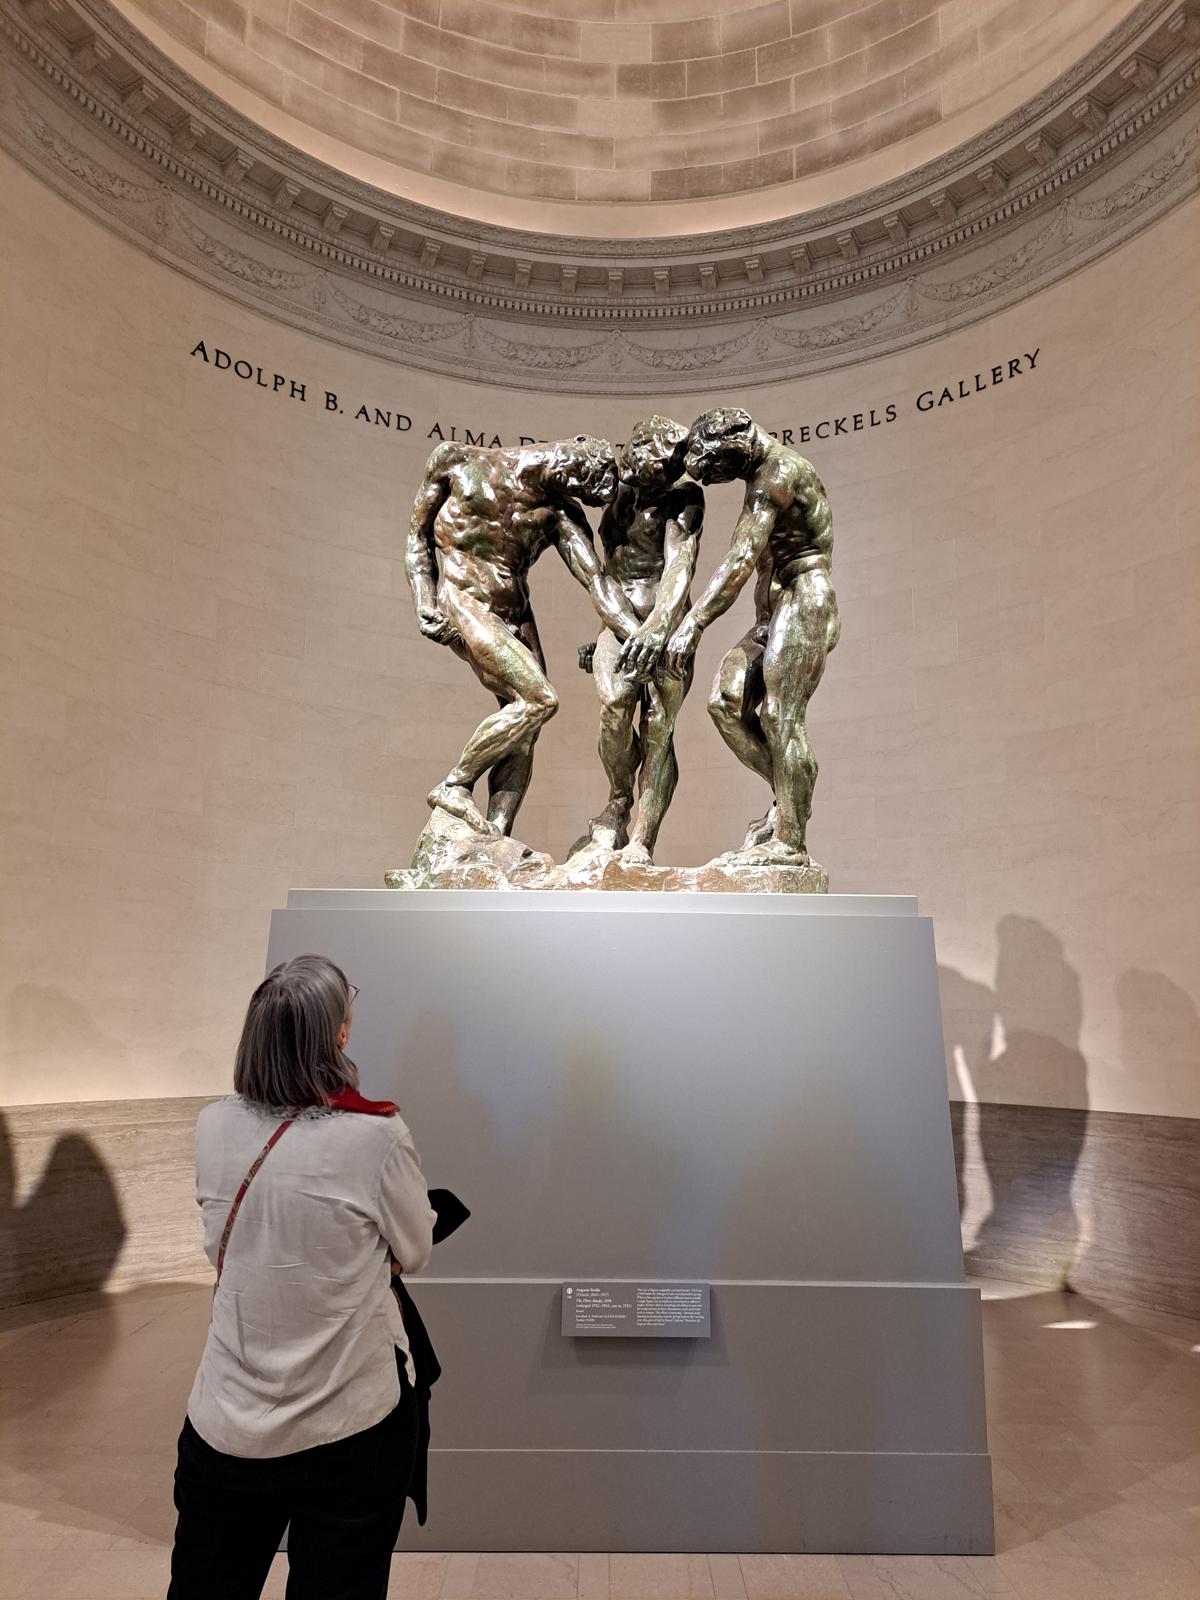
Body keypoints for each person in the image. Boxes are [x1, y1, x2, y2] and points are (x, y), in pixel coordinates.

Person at [168, 955, 436, 1600]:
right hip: (350, 1420)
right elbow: (416, 1249)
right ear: (338, 1034)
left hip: (227, 1418)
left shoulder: (213, 1124)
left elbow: (219, 1247)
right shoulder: (376, 1137)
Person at [404, 435, 642, 839]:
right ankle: (455, 785)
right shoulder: (457, 461)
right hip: (464, 601)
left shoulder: (560, 512)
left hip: (517, 612)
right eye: (581, 479)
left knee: (526, 727)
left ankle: (496, 834)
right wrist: (423, 600)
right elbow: (417, 538)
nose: (574, 489)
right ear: (574, 450)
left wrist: (637, 636)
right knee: (539, 699)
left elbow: (597, 581)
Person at [666, 408, 840, 864]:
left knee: (780, 716)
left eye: (715, 467)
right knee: (725, 703)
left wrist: (693, 622)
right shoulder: (759, 477)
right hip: (771, 614)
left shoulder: (777, 473)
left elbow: (742, 558)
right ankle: (790, 797)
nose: (713, 478)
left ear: (736, 441)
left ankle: (790, 841)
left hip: (804, 599)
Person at [572, 415, 704, 862]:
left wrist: (659, 628)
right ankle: (618, 799)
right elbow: (606, 571)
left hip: (666, 628)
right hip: (617, 624)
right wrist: (604, 628)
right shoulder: (615, 493)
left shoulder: (684, 497)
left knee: (657, 730)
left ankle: (643, 838)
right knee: (613, 705)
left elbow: (679, 565)